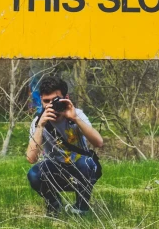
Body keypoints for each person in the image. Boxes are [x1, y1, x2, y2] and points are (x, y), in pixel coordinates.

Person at [26, 75, 104, 216]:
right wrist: (40, 126)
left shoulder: (77, 115)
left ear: (65, 97)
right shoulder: (38, 122)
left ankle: (81, 208)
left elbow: (99, 143)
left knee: (87, 163)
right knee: (34, 174)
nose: (51, 105)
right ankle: (54, 204)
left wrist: (74, 118)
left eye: (55, 100)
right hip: (56, 169)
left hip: (81, 168)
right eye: (46, 101)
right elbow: (31, 158)